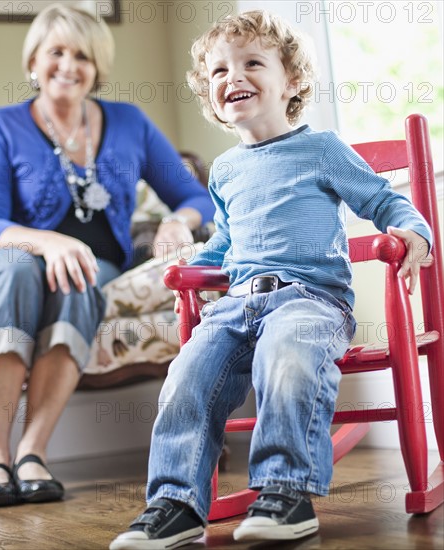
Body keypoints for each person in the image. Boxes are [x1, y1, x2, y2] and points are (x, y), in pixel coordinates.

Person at [110, 9, 433, 549]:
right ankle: (175, 503)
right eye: (218, 72)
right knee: (186, 377)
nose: (232, 77)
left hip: (310, 301)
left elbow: (383, 201)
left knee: (286, 360)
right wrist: (190, 269)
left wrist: (413, 231)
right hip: (235, 305)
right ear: (210, 96)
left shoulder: (322, 149)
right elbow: (226, 243)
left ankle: (286, 494)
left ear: (294, 81)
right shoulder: (226, 170)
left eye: (251, 63)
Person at [0, 3, 214, 509]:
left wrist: (177, 220)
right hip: (2, 263)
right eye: (56, 52)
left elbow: (197, 197)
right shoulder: (0, 125)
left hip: (94, 267)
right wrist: (48, 241)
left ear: (98, 68)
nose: (68, 66)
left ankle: (32, 453)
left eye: (83, 56)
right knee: (20, 270)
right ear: (33, 60)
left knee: (78, 274)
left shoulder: (128, 122)